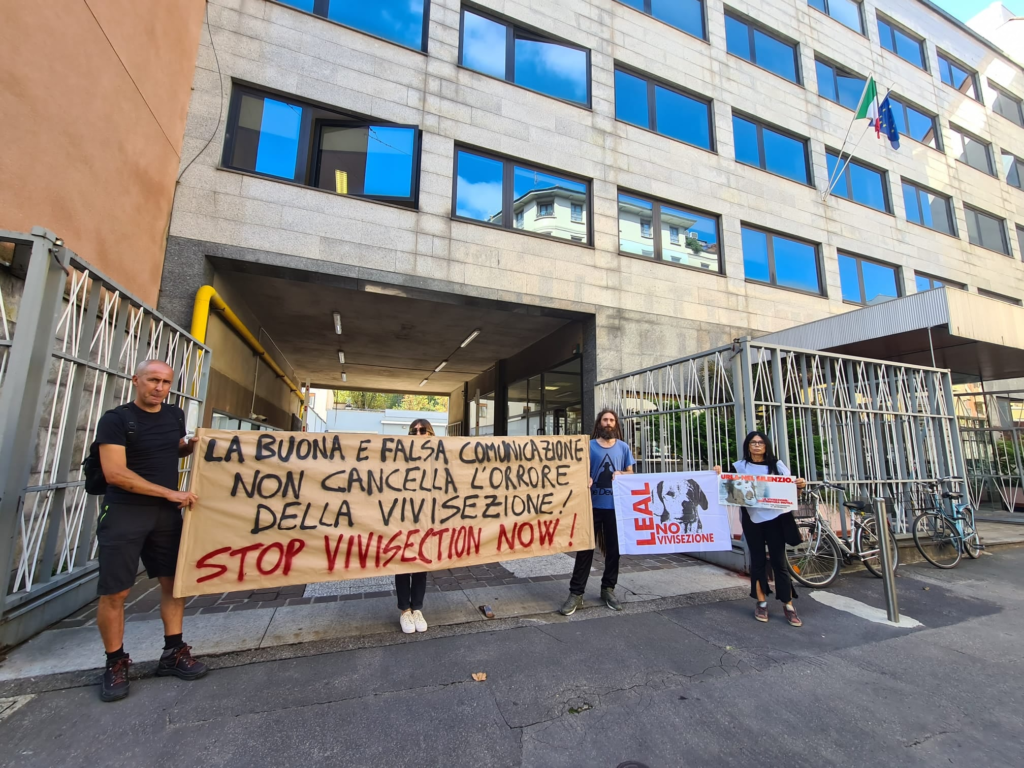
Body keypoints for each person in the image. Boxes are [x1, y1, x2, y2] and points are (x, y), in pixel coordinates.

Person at [94, 359, 206, 702]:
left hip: (166, 516)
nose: (159, 387)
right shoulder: (115, 420)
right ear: (136, 380)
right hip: (125, 512)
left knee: (175, 585)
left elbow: (169, 450)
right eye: (153, 380)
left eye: (166, 382)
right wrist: (170, 492)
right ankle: (115, 662)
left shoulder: (174, 416)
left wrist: (193, 446)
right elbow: (116, 474)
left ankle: (174, 652)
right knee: (117, 592)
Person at [715, 431, 807, 627]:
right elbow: (726, 487)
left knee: (779, 562)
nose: (756, 445)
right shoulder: (739, 467)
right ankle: (761, 602)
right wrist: (716, 474)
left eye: (760, 442)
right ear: (748, 446)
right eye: (752, 442)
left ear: (766, 445)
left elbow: (792, 494)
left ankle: (788, 605)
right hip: (752, 519)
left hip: (777, 518)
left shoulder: (778, 466)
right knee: (757, 561)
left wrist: (799, 486)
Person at [559, 409, 635, 615]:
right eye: (604, 420)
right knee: (584, 550)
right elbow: (575, 470)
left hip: (614, 507)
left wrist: (622, 474)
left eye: (611, 420)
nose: (608, 423)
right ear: (598, 423)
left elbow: (631, 473)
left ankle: (608, 589)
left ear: (616, 424)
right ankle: (576, 594)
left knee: (614, 551)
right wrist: (584, 477)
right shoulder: (588, 446)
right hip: (590, 506)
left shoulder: (623, 447)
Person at [396, 418, 433, 634]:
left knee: (421, 564)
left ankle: (417, 608)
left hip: (426, 519)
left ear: (430, 434)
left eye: (423, 430)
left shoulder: (439, 456)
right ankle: (404, 610)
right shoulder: (401, 455)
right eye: (414, 431)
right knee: (402, 563)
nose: (418, 433)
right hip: (403, 516)